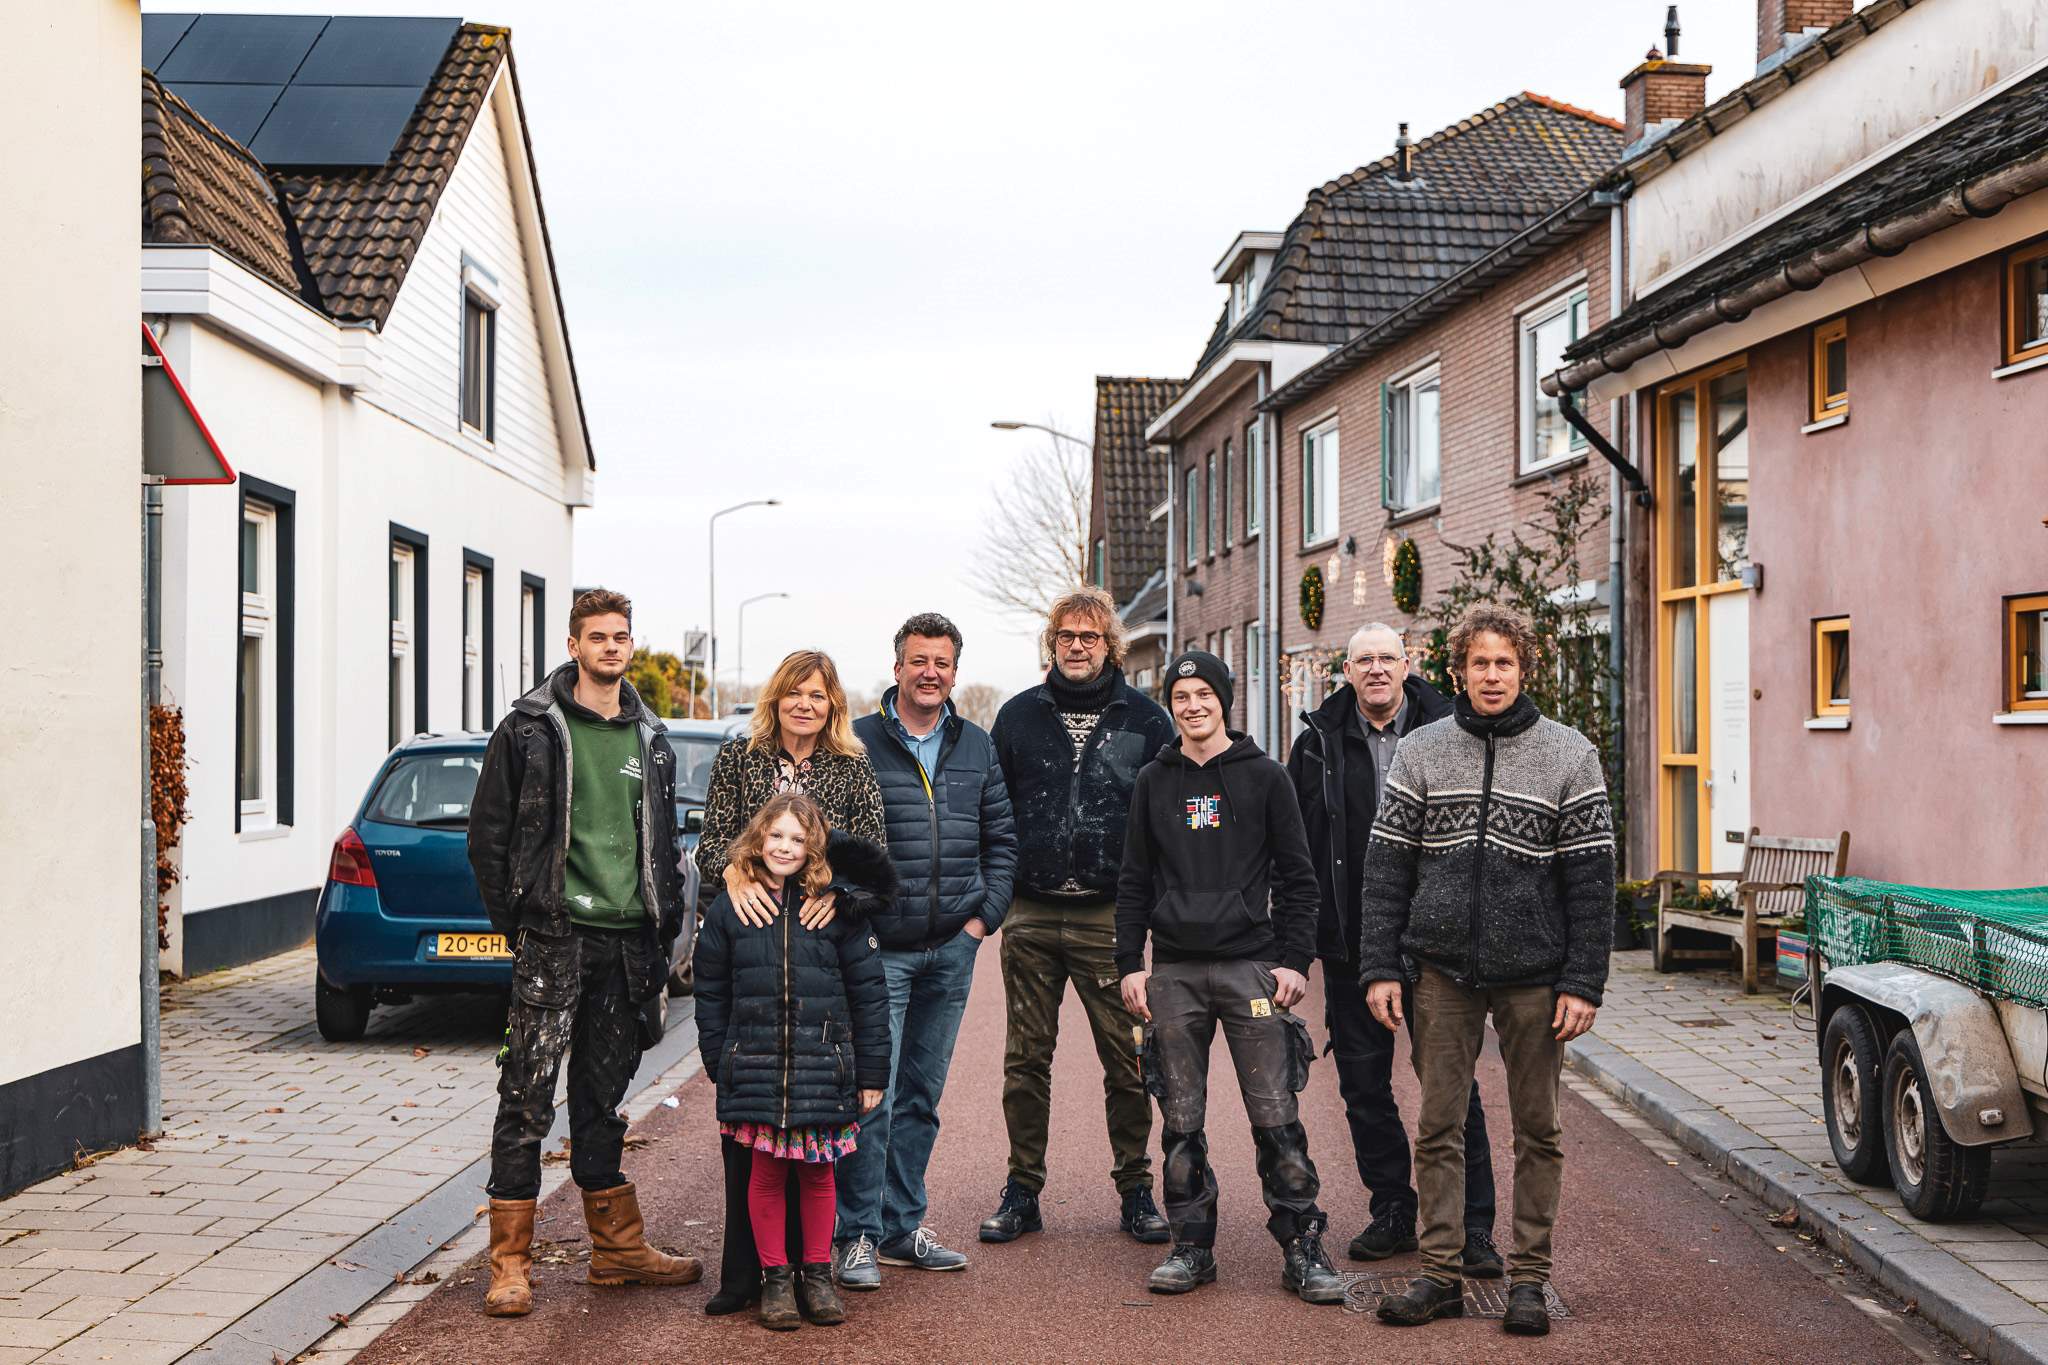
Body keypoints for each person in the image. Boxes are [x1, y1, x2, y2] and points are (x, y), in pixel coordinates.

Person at [1361, 605, 1614, 1338]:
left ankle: (1529, 1277)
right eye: (1480, 663)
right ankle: (1439, 1272)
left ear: (1524, 669)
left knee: (1539, 1128)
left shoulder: (1570, 754)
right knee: (1438, 1123)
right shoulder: (1422, 751)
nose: (1492, 675)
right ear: (1458, 671)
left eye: (1505, 662)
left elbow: (1592, 883)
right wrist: (1382, 964)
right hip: (1440, 971)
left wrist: (1583, 980)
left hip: (1537, 975)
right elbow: (1386, 869)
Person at [467, 588, 700, 1318]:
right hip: (555, 940)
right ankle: (510, 1263)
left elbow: (660, 844)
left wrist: (659, 931)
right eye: (597, 636)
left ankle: (617, 1250)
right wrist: (528, 924)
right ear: (573, 645)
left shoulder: (650, 737)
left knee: (603, 1101)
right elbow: (489, 838)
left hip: (628, 945)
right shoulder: (530, 728)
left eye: (621, 636)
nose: (610, 646)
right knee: (527, 1097)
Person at [1114, 651, 1343, 1304]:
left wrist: (1295, 960)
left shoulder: (1265, 777)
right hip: (1175, 972)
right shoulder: (1152, 782)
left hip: (1251, 968)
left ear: (1224, 699)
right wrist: (1130, 962)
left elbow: (1300, 878)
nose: (1191, 705)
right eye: (1180, 695)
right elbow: (1132, 881)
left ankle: (1301, 1243)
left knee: (1276, 1114)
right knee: (1181, 1117)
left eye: (1203, 693)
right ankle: (1191, 1246)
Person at [1285, 624, 1501, 1274]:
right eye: (1364, 660)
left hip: (1438, 944)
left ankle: (1473, 1227)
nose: (1376, 669)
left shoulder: (1456, 730)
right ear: (1345, 671)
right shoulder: (1316, 745)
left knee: (1453, 1088)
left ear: (1409, 664)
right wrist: (1296, 940)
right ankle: (1394, 1210)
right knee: (1364, 1086)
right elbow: (1296, 851)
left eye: (1387, 658)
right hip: (1352, 945)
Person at [694, 649, 887, 1315]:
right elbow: (710, 843)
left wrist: (839, 894)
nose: (805, 703)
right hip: (750, 943)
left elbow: (872, 859)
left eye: (818, 693)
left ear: (833, 703)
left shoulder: (851, 769)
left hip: (817, 947)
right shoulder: (739, 759)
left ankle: (814, 1270)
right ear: (775, 697)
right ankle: (749, 1276)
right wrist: (735, 876)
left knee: (811, 1151)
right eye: (793, 692)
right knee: (753, 1147)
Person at [983, 587, 1175, 1246]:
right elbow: (993, 813)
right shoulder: (1015, 718)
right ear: (1051, 641)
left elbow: (1167, 820)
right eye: (1065, 635)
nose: (1075, 645)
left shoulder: (1147, 720)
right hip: (1030, 915)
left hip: (1108, 921)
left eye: (1089, 636)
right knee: (1025, 1061)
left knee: (1127, 1062)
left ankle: (1135, 1189)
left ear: (1110, 645)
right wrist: (996, 894)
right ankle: (1022, 1189)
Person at [834, 613, 1016, 1288]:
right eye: (919, 660)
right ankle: (853, 1234)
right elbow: (832, 844)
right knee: (869, 1096)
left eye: (942, 661)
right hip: (881, 951)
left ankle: (900, 1226)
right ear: (898, 666)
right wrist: (858, 921)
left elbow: (1002, 839)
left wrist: (981, 922)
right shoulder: (856, 742)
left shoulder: (976, 744)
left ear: (955, 672)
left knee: (922, 1096)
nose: (930, 672)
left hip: (952, 949)